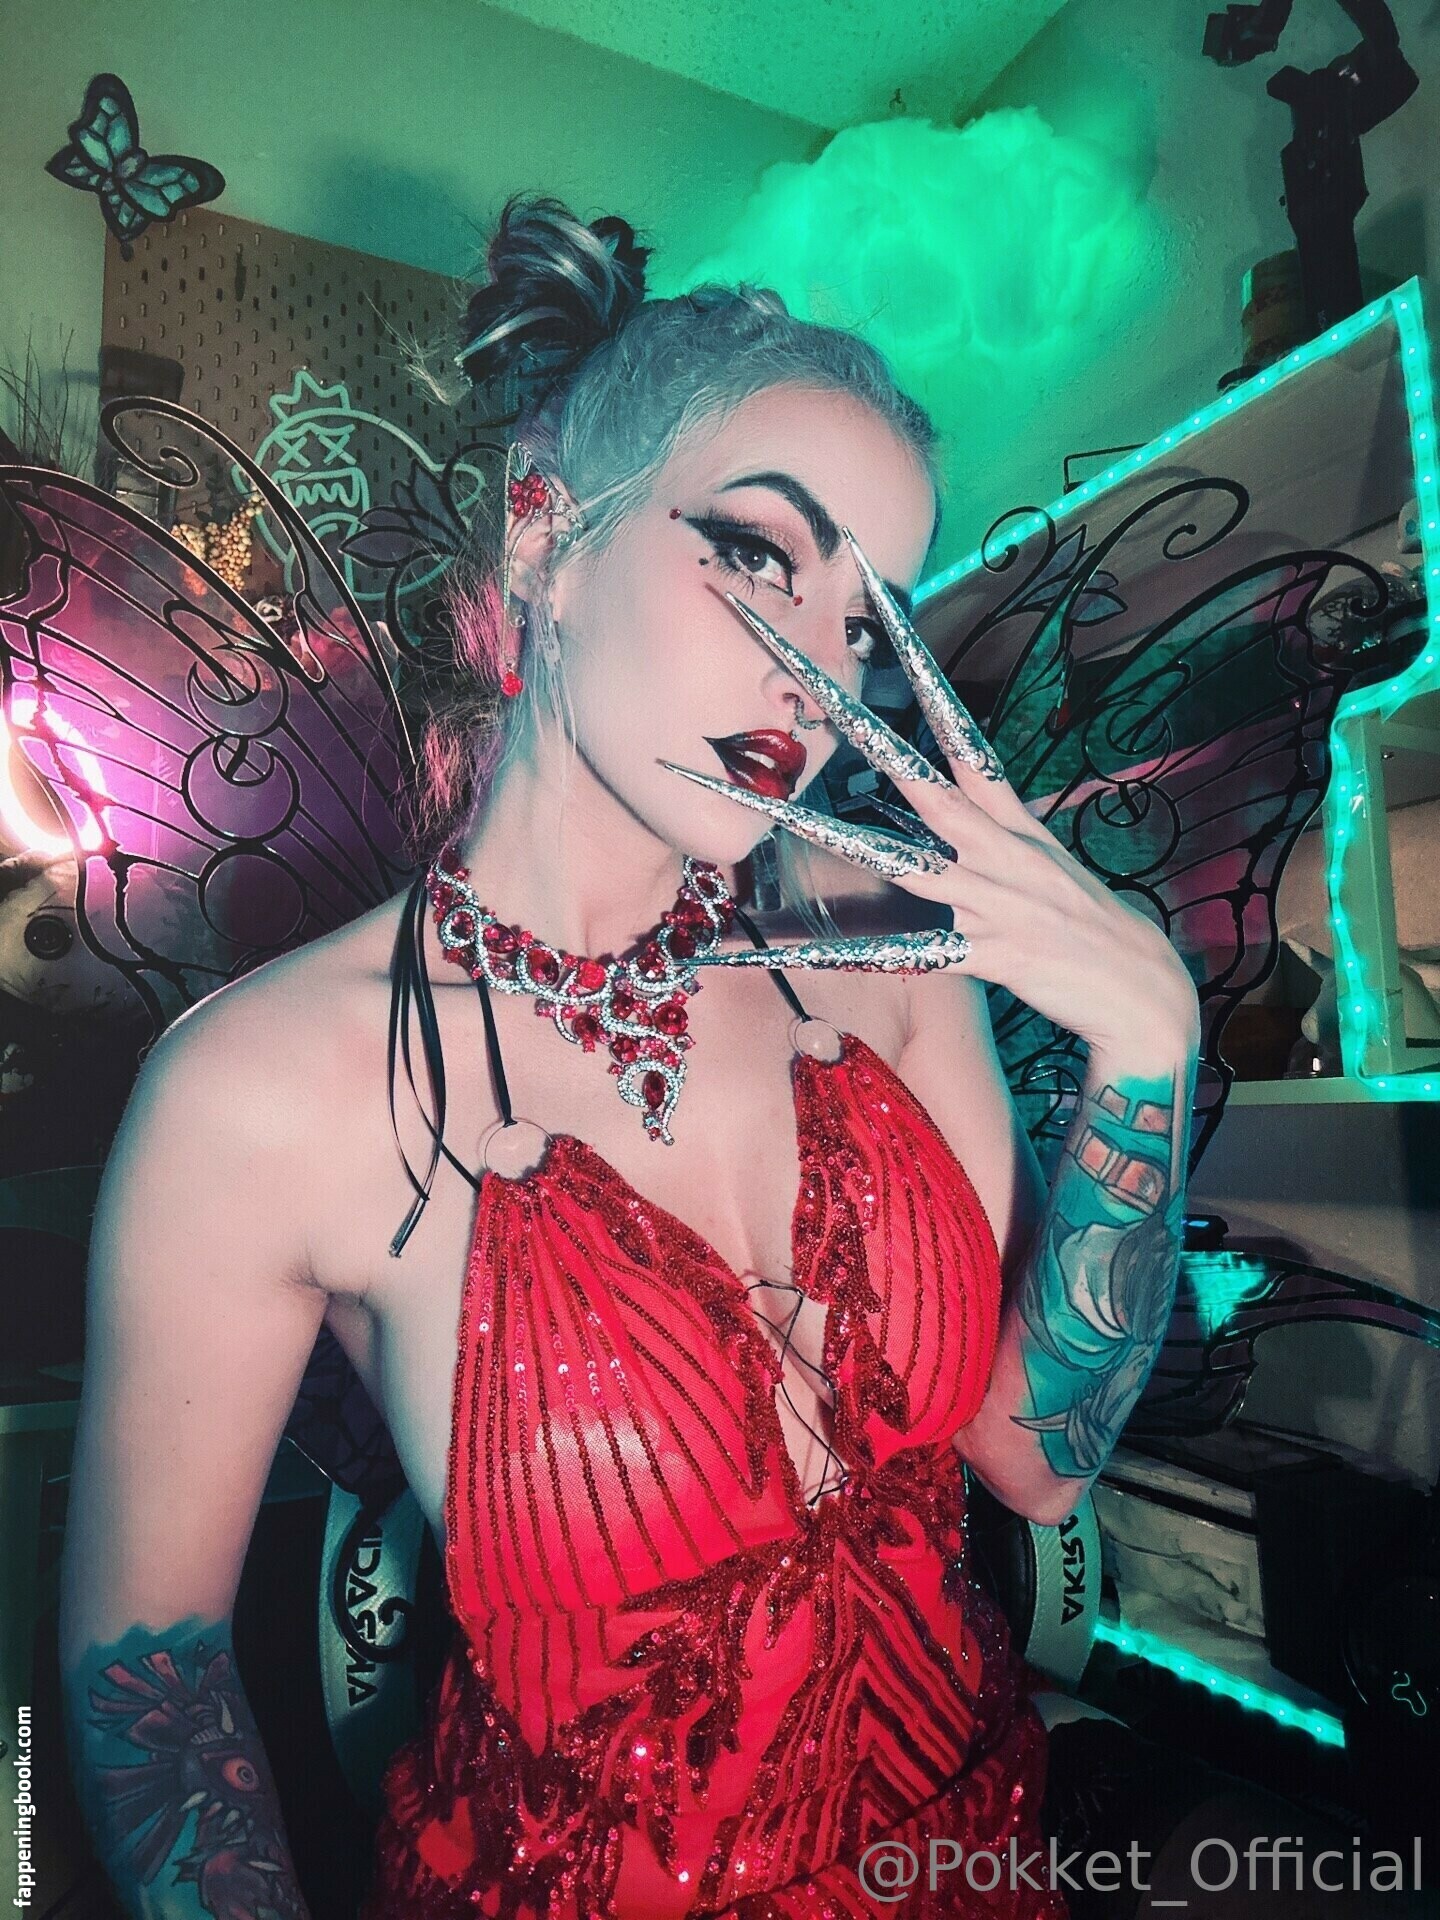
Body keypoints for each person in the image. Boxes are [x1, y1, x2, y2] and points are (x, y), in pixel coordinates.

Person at [57, 196, 1202, 1919]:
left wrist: (1148, 1049)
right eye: (761, 556)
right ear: (544, 537)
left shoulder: (885, 953)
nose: (817, 676)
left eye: (869, 624)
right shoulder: (260, 1093)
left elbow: (1035, 1460)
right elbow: (148, 1688)